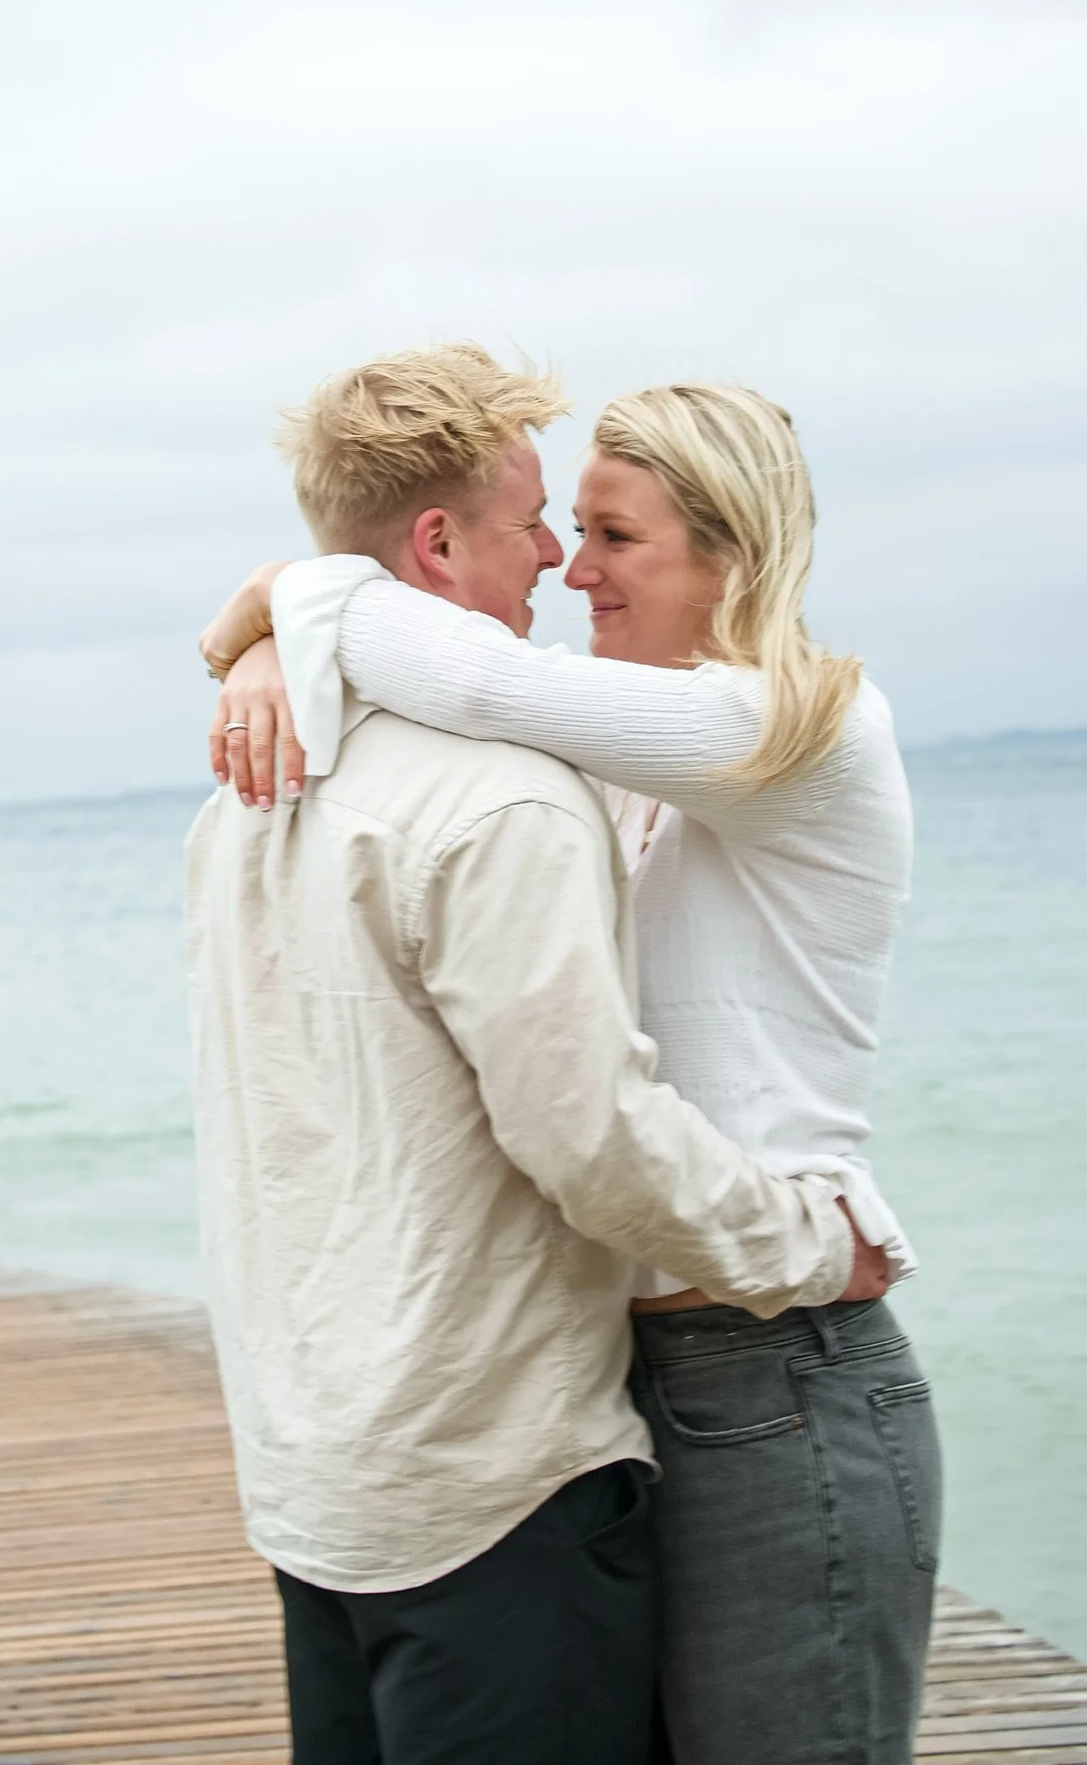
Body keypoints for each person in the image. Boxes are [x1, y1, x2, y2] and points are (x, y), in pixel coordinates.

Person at [202, 352, 942, 1765]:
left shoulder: (803, 730)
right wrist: (261, 642)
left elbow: (459, 669)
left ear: (732, 554)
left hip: (781, 1359)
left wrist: (272, 611)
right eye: (565, 526)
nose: (570, 568)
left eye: (614, 536)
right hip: (619, 1382)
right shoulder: (611, 763)